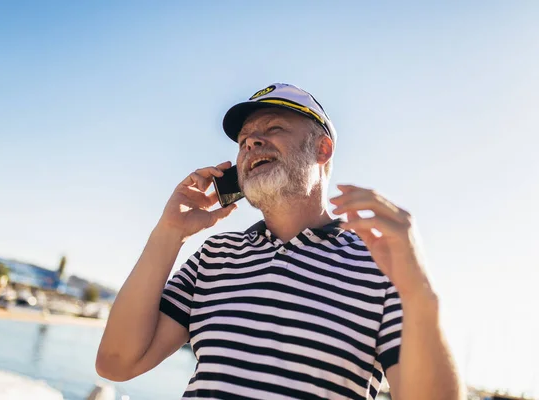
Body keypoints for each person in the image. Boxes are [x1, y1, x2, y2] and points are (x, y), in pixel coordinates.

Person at [96, 83, 464, 400]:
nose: (251, 142)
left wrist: (420, 294)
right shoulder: (214, 257)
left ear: (323, 149)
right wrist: (169, 232)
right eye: (243, 141)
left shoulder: (382, 265)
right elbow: (116, 362)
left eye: (273, 128)